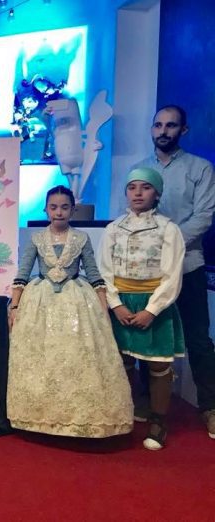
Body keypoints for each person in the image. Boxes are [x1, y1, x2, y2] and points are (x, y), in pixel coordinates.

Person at [7, 185, 133, 438]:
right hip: (40, 301)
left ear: (73, 210)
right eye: (53, 207)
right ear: (45, 209)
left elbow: (93, 272)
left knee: (77, 356)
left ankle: (81, 418)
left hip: (76, 300)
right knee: (42, 356)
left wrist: (103, 306)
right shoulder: (37, 239)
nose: (59, 212)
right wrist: (15, 305)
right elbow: (23, 271)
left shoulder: (81, 238)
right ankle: (38, 416)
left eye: (64, 207)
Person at [133, 105, 215, 439]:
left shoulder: (200, 168)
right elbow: (134, 215)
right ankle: (147, 402)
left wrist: (167, 242)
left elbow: (204, 216)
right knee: (147, 337)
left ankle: (210, 407)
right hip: (147, 272)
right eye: (158, 125)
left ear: (183, 130)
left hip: (187, 266)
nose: (163, 131)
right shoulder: (140, 169)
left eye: (171, 125)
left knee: (198, 339)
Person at [99, 168, 185, 450]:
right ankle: (123, 414)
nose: (137, 193)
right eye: (132, 187)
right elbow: (104, 270)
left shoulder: (168, 229)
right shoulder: (114, 229)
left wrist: (152, 310)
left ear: (157, 193)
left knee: (158, 363)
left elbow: (172, 274)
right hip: (122, 302)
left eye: (145, 187)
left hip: (153, 302)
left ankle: (159, 421)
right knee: (123, 360)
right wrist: (116, 305)